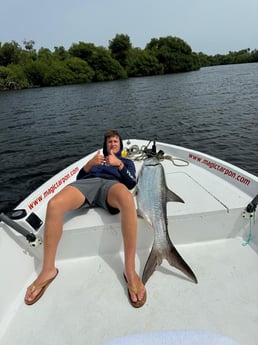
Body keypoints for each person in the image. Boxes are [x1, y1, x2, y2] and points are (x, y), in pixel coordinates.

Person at [24, 129, 147, 308]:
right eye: (109, 142)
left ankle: (129, 270)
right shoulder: (96, 160)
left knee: (127, 200)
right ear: (105, 145)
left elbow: (131, 183)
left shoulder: (126, 162)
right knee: (54, 204)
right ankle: (48, 270)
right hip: (87, 185)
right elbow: (80, 178)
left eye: (115, 141)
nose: (112, 144)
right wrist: (88, 166)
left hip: (111, 187)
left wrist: (119, 165)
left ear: (120, 145)